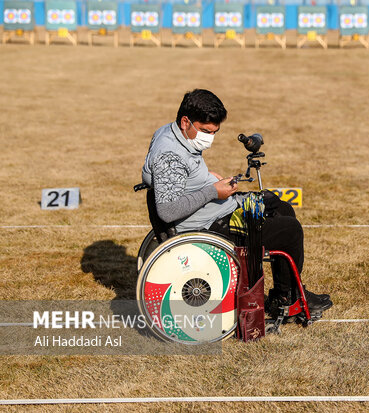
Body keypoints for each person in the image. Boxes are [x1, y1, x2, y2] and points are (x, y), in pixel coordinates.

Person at [141, 89, 332, 318]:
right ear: (185, 121)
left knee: (281, 207)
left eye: (214, 132)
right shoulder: (169, 155)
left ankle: (287, 294)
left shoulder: (170, 133)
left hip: (212, 212)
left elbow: (179, 177)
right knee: (290, 230)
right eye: (205, 131)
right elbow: (168, 210)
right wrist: (213, 190)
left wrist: (206, 178)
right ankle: (287, 301)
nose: (209, 138)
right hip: (207, 228)